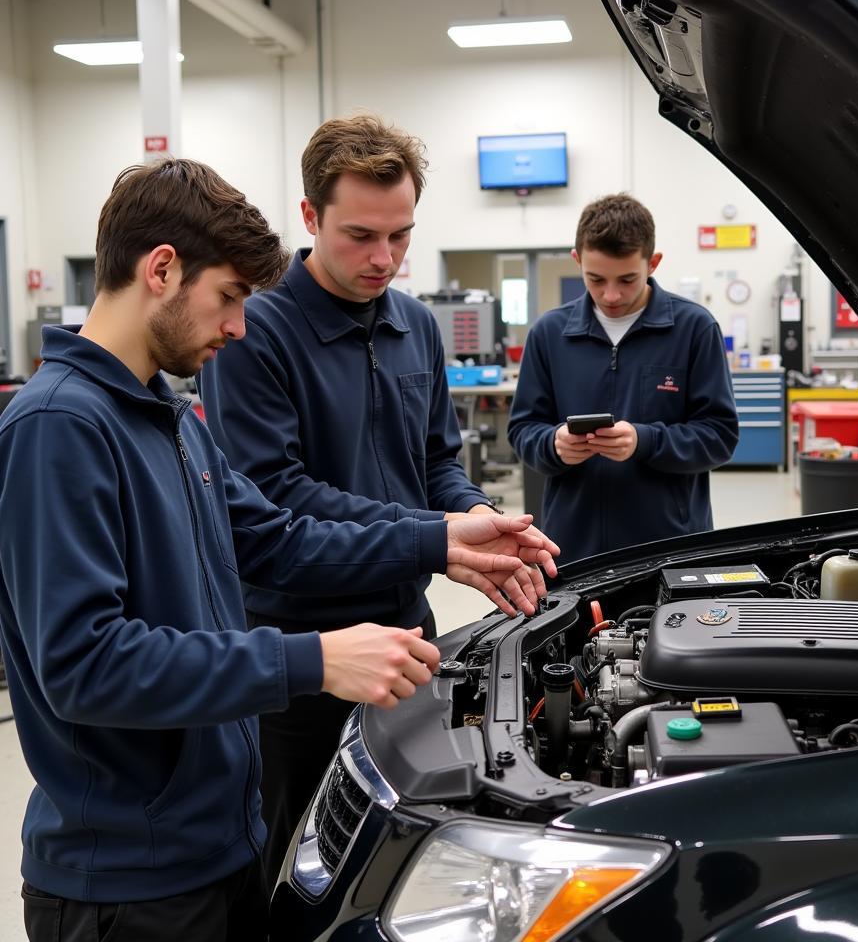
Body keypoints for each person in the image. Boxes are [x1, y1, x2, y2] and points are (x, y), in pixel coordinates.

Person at [0, 158, 555, 942]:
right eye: (227, 298)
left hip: (222, 844)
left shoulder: (171, 415)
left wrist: (438, 537)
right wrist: (314, 660)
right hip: (126, 884)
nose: (237, 326)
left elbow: (277, 539)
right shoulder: (59, 427)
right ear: (161, 269)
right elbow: (86, 666)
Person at [200, 113, 560, 881]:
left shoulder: (415, 325)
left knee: (398, 860)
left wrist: (474, 520)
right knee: (291, 864)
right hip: (300, 656)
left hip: (408, 634)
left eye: (401, 236)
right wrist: (438, 536)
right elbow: (279, 500)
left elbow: (437, 462)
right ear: (309, 217)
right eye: (360, 235)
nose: (385, 258)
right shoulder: (254, 333)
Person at [508, 192, 739, 565]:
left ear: (653, 263)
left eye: (627, 279)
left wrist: (644, 441)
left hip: (670, 548)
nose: (610, 295)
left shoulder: (694, 329)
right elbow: (522, 431)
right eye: (595, 279)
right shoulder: (549, 334)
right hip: (571, 549)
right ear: (577, 260)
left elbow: (719, 436)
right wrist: (554, 445)